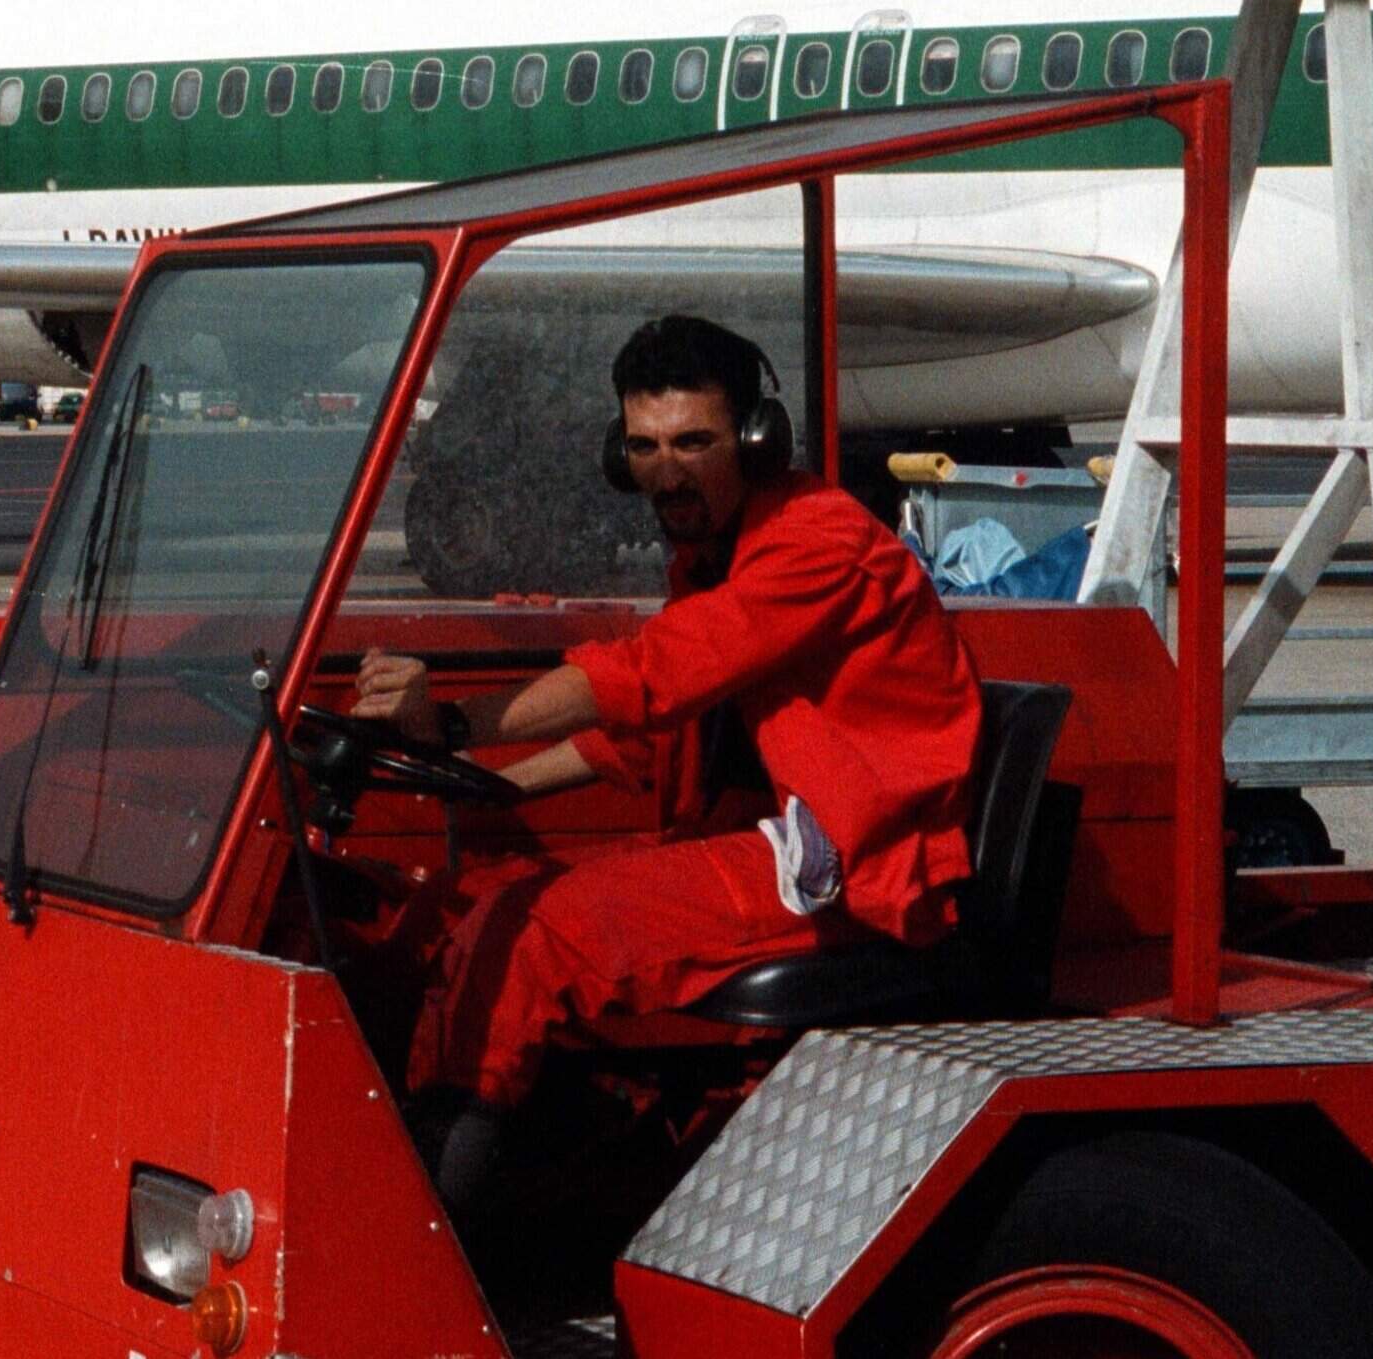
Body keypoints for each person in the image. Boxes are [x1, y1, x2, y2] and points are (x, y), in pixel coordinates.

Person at [347, 314, 982, 1220]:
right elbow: (642, 738)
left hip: (849, 866)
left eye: (695, 442)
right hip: (760, 835)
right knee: (473, 899)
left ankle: (416, 1237)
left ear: (755, 440)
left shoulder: (815, 544)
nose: (668, 471)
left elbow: (652, 674)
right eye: (645, 446)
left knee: (543, 936)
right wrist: (484, 780)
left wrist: (454, 723)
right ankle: (455, 1176)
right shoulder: (715, 555)